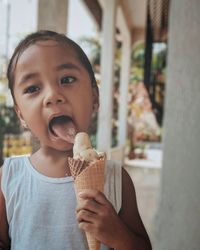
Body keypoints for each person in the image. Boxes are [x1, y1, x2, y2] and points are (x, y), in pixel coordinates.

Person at [0, 30, 152, 250]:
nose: (52, 95)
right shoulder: (10, 177)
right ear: (21, 115)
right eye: (33, 88)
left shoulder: (116, 179)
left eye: (67, 79)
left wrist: (118, 234)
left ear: (95, 97)